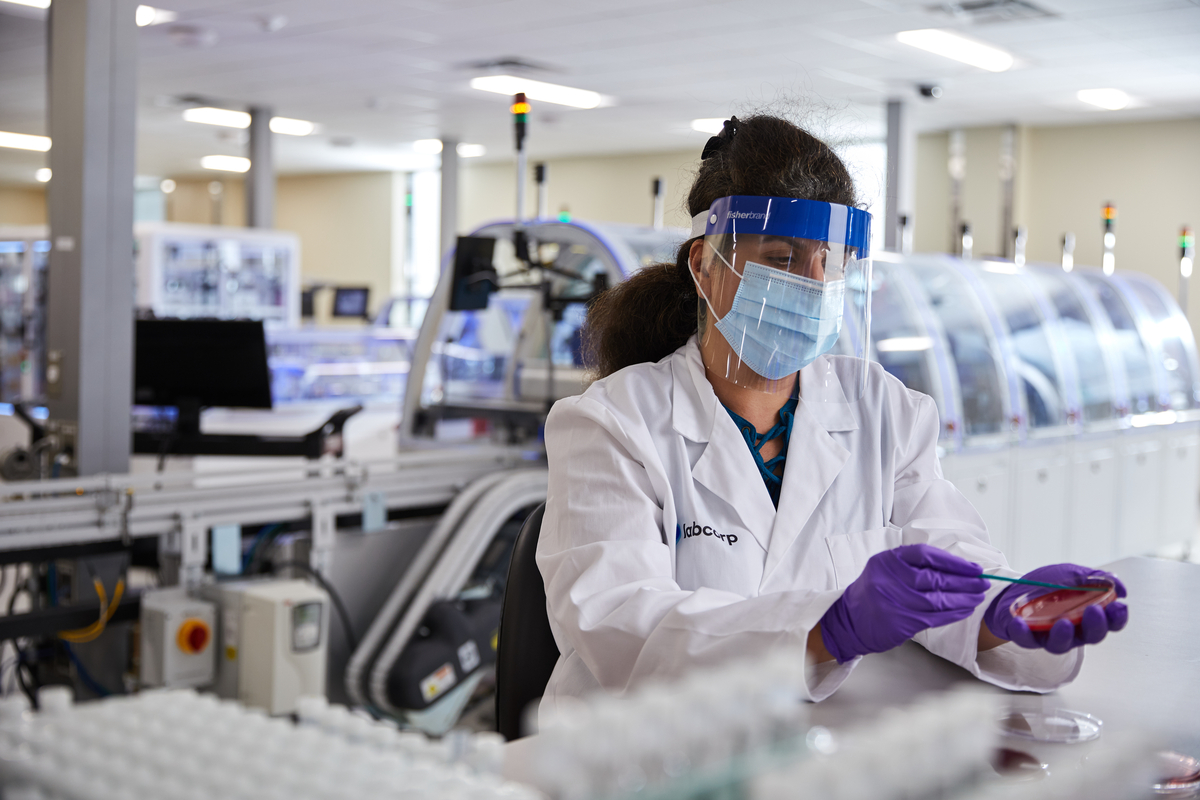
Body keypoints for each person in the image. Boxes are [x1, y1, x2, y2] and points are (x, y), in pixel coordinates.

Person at [535, 114, 1128, 717]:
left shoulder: (882, 408)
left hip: (827, 740)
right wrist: (827, 629)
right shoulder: (610, 423)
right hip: (642, 754)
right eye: (783, 258)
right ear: (705, 266)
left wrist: (1002, 612)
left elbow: (944, 559)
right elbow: (620, 623)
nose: (815, 284)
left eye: (831, 261)